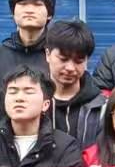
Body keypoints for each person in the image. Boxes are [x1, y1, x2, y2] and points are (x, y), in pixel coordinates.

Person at [40, 19, 104, 147]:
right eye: (63, 59)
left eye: (78, 61)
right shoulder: (32, 101)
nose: (70, 68)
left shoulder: (102, 108)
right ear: (47, 54)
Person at [0, 0, 55, 88]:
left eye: (37, 4)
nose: (29, 10)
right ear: (13, 13)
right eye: (23, 4)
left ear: (49, 14)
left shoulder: (59, 54)